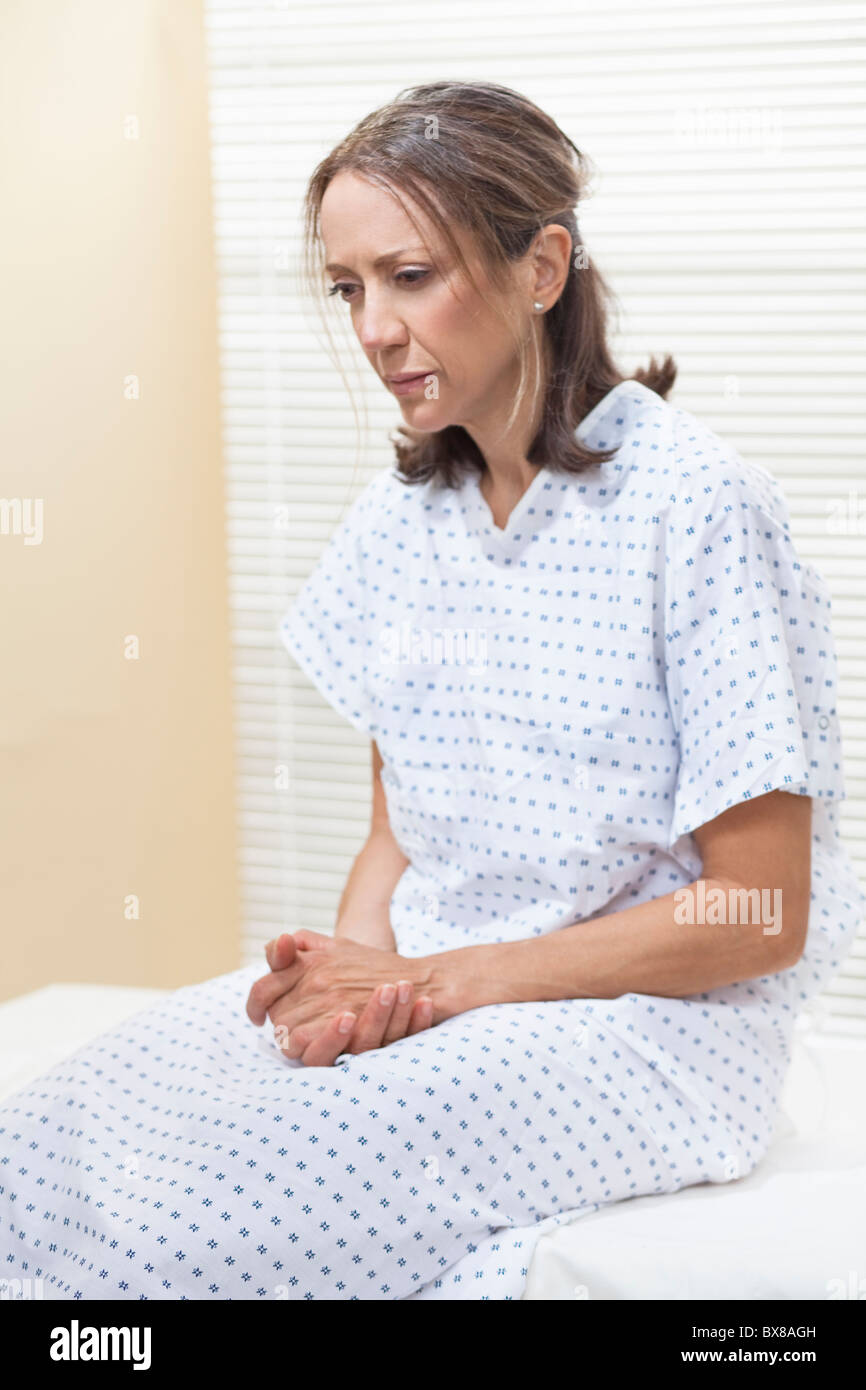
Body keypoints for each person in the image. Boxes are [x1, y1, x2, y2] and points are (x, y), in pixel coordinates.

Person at [0, 81, 861, 1302]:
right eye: (348, 289)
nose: (372, 328)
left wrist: (438, 983)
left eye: (408, 277)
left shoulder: (696, 508)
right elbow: (396, 836)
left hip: (649, 1035)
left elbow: (758, 913)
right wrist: (346, 991)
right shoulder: (396, 524)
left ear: (540, 268)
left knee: (200, 1211)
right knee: (40, 1148)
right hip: (439, 994)